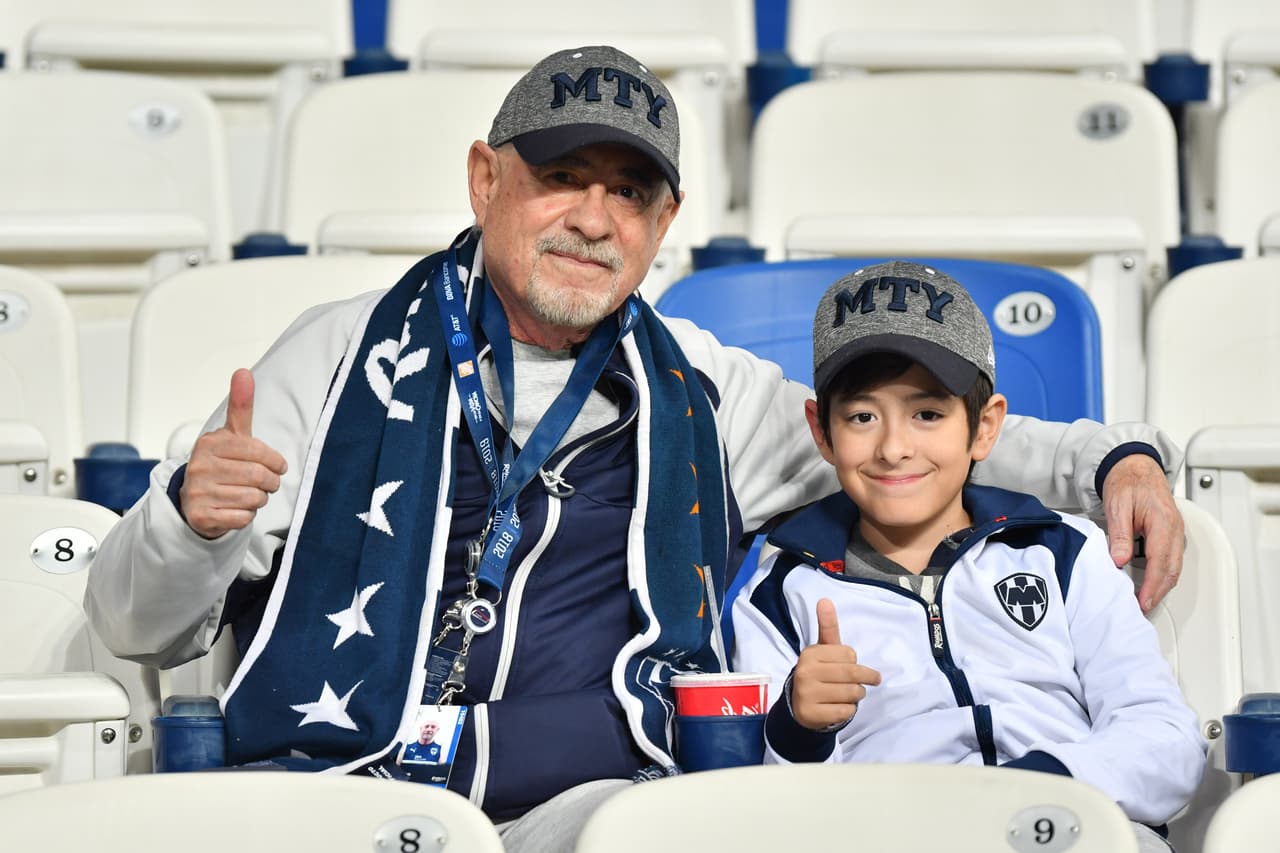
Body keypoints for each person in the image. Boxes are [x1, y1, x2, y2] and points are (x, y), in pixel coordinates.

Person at [86, 45, 1186, 852]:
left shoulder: (700, 388)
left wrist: (1106, 463)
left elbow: (906, 438)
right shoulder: (336, 356)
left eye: (629, 192)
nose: (593, 217)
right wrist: (187, 527)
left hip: (576, 803)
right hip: (337, 783)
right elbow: (134, 625)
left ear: (663, 225)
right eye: (563, 176)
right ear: (485, 181)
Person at [730, 261, 1205, 852]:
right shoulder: (778, 596)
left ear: (984, 427)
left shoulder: (1063, 552)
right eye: (862, 417)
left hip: (1070, 826)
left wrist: (1041, 786)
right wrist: (800, 729)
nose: (894, 447)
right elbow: (776, 811)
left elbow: (1167, 743)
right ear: (821, 432)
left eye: (927, 414)